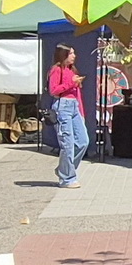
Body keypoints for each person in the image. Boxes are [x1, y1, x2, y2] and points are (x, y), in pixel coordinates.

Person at [47, 45, 88, 189]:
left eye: (74, 53)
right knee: (67, 144)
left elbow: (76, 94)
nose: (74, 56)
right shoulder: (56, 70)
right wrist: (72, 83)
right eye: (71, 53)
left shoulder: (72, 70)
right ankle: (67, 178)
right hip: (62, 106)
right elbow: (53, 90)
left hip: (74, 106)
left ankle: (64, 170)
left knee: (83, 141)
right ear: (63, 55)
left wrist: (81, 113)